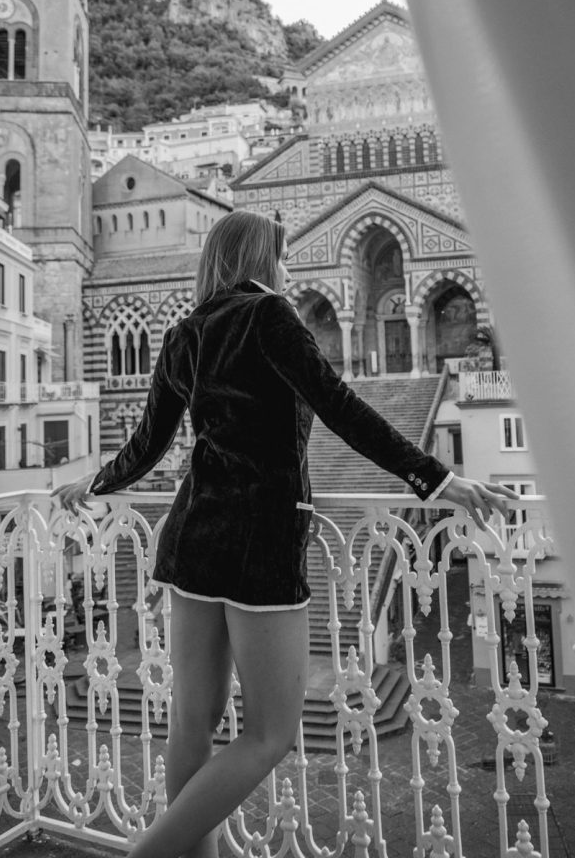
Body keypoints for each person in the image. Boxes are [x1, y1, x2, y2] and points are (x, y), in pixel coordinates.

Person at [54, 210, 517, 858]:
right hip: (260, 544)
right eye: (283, 257)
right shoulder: (269, 316)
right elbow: (341, 406)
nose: (290, 271)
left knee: (192, 724)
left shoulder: (186, 331)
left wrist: (99, 480)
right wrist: (436, 479)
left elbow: (149, 441)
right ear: (257, 258)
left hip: (190, 539)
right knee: (270, 735)